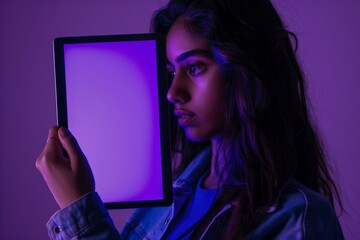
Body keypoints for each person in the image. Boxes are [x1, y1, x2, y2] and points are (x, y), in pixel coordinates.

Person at [36, 0, 344, 239]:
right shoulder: (164, 205)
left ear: (247, 70)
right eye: (171, 72)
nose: (172, 92)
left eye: (194, 68)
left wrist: (81, 214)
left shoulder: (296, 218)